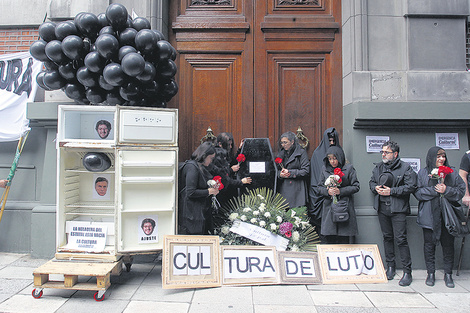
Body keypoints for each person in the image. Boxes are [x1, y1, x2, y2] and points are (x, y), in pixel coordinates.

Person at [414, 146, 466, 288]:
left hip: (447, 216)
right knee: (429, 246)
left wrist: (446, 190)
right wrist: (435, 190)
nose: (441, 159)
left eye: (443, 156)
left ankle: (448, 274)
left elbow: (460, 190)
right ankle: (430, 273)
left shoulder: (452, 172)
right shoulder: (423, 173)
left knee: (448, 245)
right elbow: (418, 193)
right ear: (431, 158)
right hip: (429, 216)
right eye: (438, 156)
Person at [369, 140, 417, 286]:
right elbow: (371, 182)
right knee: (387, 237)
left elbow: (411, 186)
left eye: (386, 152)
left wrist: (392, 191)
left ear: (395, 154)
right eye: (382, 152)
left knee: (401, 239)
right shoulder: (378, 167)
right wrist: (375, 188)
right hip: (382, 209)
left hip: (398, 210)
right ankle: (390, 267)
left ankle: (407, 272)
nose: (383, 154)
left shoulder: (406, 168)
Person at [315, 146, 359, 244]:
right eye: (330, 159)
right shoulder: (324, 169)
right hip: (329, 208)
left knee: (344, 240)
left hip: (344, 207)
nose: (332, 161)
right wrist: (328, 192)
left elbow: (356, 186)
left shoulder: (348, 169)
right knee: (329, 238)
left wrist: (340, 191)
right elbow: (319, 188)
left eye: (335, 158)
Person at [178, 142, 219, 235]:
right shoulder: (192, 167)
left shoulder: (197, 166)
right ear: (204, 155)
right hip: (191, 214)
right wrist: (209, 191)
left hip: (196, 213)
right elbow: (191, 192)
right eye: (211, 158)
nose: (211, 161)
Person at [309, 127, 342, 235]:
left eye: (333, 141)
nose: (331, 143)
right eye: (329, 141)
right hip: (321, 196)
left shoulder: (340, 154)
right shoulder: (317, 155)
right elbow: (314, 179)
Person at [210, 132, 252, 209]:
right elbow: (221, 175)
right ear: (220, 144)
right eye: (228, 144)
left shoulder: (221, 153)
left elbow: (231, 163)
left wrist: (240, 149)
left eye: (231, 144)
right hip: (222, 191)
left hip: (227, 189)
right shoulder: (218, 155)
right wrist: (232, 171)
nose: (230, 147)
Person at [276, 131, 310, 208]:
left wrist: (290, 172)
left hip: (297, 190)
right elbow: (274, 170)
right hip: (283, 189)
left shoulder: (301, 152)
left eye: (285, 142)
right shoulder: (281, 153)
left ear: (292, 142)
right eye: (282, 143)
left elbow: (305, 171)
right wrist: (280, 174)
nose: (283, 145)